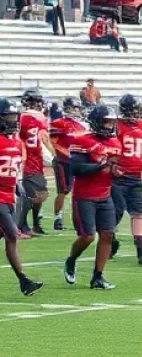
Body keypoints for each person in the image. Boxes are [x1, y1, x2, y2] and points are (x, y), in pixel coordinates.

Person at [64, 104, 121, 290]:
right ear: (96, 122)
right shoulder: (82, 141)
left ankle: (98, 276)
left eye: (111, 122)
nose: (109, 126)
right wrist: (101, 166)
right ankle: (71, 259)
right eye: (106, 122)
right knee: (88, 236)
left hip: (105, 194)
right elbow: (76, 169)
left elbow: (113, 170)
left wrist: (116, 171)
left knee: (107, 234)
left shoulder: (115, 143)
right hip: (85, 196)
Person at [0, 98, 43, 295]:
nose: (12, 121)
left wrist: (17, 184)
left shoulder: (15, 142)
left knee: (9, 236)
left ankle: (24, 281)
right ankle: (24, 280)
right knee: (12, 234)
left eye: (13, 117)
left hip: (8, 197)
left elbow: (13, 169)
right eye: (8, 117)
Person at [112, 94, 142, 266]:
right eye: (132, 110)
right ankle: (110, 239)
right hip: (117, 177)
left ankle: (141, 250)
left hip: (135, 176)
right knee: (114, 213)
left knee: (138, 213)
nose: (135, 113)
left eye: (137, 110)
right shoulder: (116, 126)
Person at [17, 89, 52, 236]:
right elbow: (44, 138)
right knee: (32, 195)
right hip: (27, 160)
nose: (39, 104)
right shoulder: (36, 118)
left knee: (37, 194)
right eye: (36, 101)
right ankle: (21, 225)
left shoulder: (21, 117)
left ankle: (34, 224)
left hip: (33, 158)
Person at [49, 98, 87, 231]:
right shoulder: (59, 123)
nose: (76, 111)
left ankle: (78, 217)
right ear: (67, 108)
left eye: (77, 108)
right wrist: (66, 153)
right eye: (73, 108)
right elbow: (53, 142)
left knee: (77, 189)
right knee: (63, 190)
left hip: (76, 162)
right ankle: (57, 218)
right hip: (62, 161)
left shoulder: (81, 126)